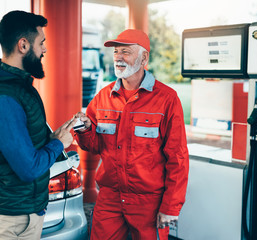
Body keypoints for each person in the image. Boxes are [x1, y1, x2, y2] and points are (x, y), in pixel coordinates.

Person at [0, 10, 75, 240]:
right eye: (41, 42)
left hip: (23, 212)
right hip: (14, 220)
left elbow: (27, 144)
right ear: (23, 45)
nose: (44, 49)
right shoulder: (2, 98)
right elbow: (28, 168)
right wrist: (58, 144)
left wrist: (57, 135)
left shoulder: (16, 88)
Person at [74, 29, 189, 240]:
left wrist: (170, 206)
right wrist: (84, 129)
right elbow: (94, 145)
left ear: (144, 57)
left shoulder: (167, 99)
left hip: (149, 202)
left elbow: (178, 158)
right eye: (116, 52)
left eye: (125, 52)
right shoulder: (103, 97)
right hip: (110, 198)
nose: (118, 57)